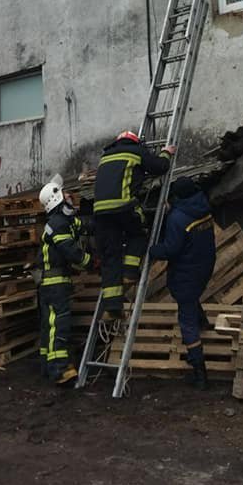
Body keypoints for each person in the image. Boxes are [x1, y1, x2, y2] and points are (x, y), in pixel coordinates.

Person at [93, 131, 176, 322]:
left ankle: (113, 307)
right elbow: (160, 167)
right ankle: (130, 272)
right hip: (123, 207)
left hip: (100, 214)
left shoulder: (105, 156)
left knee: (111, 256)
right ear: (135, 141)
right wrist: (166, 152)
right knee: (138, 233)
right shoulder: (136, 151)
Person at [149, 176, 216, 390]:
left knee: (186, 321)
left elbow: (170, 250)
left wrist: (151, 249)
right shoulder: (203, 206)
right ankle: (203, 321)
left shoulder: (178, 218)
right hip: (204, 266)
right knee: (191, 294)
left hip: (186, 273)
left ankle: (200, 372)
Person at [38, 173, 92, 384]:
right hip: (55, 285)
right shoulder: (58, 223)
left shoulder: (63, 221)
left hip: (53, 284)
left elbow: (81, 226)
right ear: (57, 199)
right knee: (58, 325)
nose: (70, 196)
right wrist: (91, 262)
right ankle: (59, 369)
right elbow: (70, 251)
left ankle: (48, 366)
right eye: (66, 194)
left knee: (49, 326)